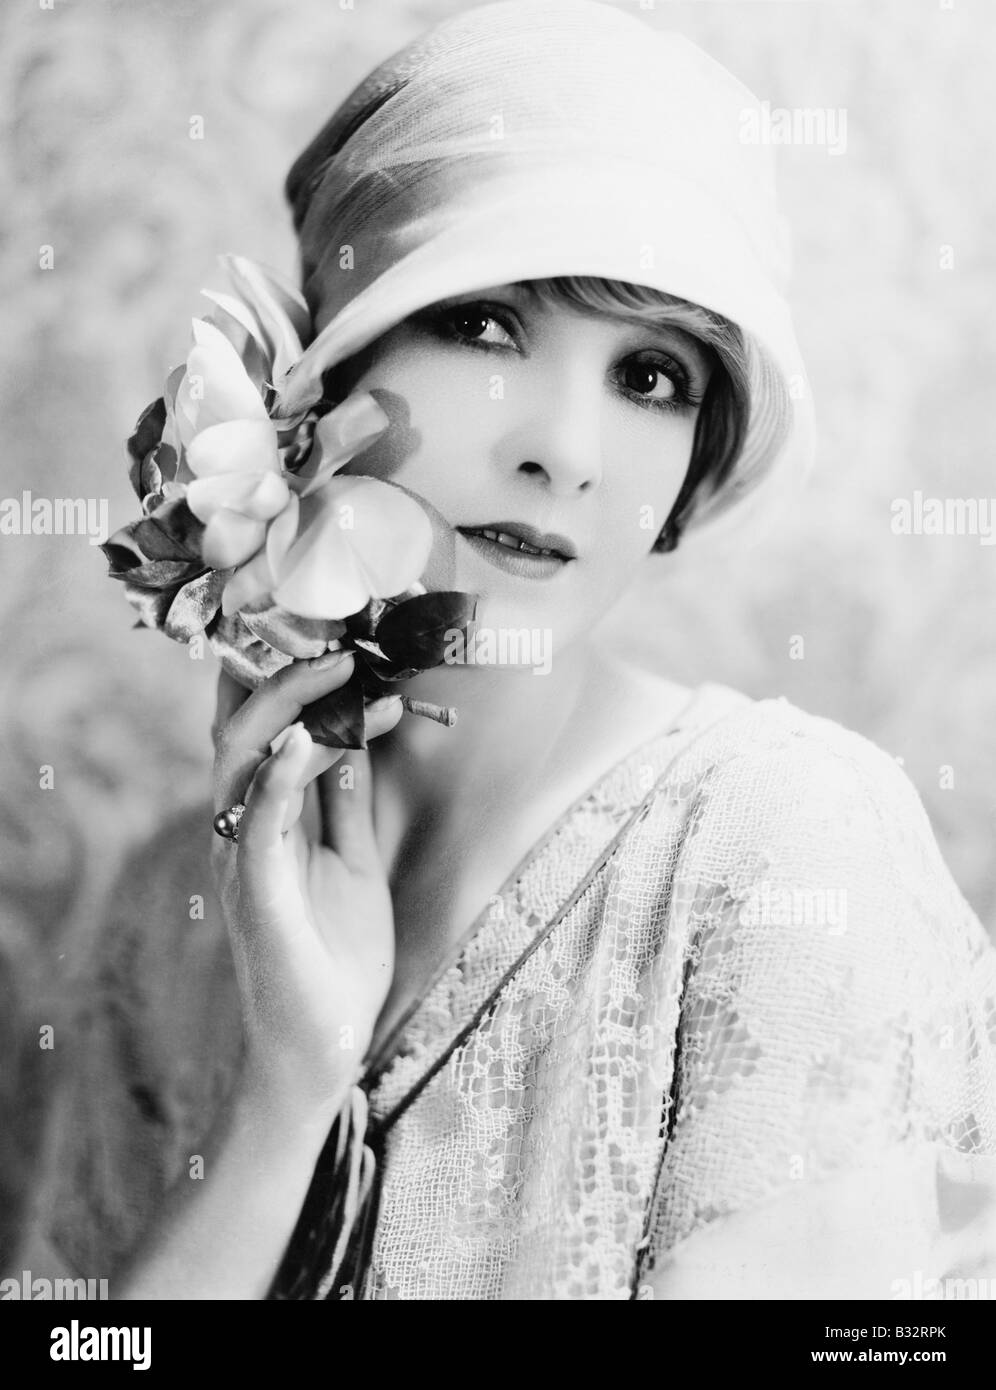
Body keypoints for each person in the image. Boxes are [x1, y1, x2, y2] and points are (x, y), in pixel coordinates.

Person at [25, 0, 996, 1300]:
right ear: (319, 374)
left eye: (651, 376)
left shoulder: (776, 848)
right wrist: (280, 1104)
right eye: (485, 325)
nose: (567, 452)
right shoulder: (168, 909)